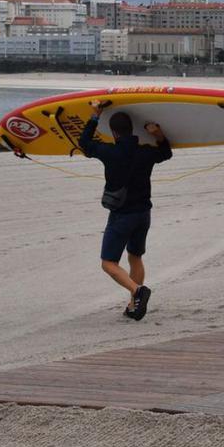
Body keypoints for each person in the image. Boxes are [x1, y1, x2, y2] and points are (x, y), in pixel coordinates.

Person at [80, 100, 172, 320]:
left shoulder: (109, 151)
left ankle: (137, 291)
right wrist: (158, 133)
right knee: (135, 257)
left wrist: (95, 116)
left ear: (113, 132)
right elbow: (166, 152)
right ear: (132, 130)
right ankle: (134, 305)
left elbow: (84, 143)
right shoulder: (145, 152)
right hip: (143, 214)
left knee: (108, 263)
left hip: (122, 216)